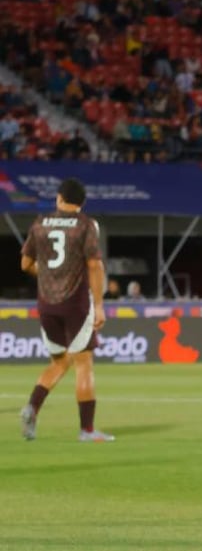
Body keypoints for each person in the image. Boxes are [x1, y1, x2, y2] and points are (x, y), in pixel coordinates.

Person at [18, 177, 112, 442]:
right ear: (82, 204)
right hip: (75, 304)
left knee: (58, 362)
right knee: (84, 363)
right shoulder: (86, 225)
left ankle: (32, 407)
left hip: (47, 303)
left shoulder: (39, 223)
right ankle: (87, 430)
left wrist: (47, 273)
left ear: (59, 198)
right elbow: (94, 265)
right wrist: (100, 305)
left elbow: (25, 264)